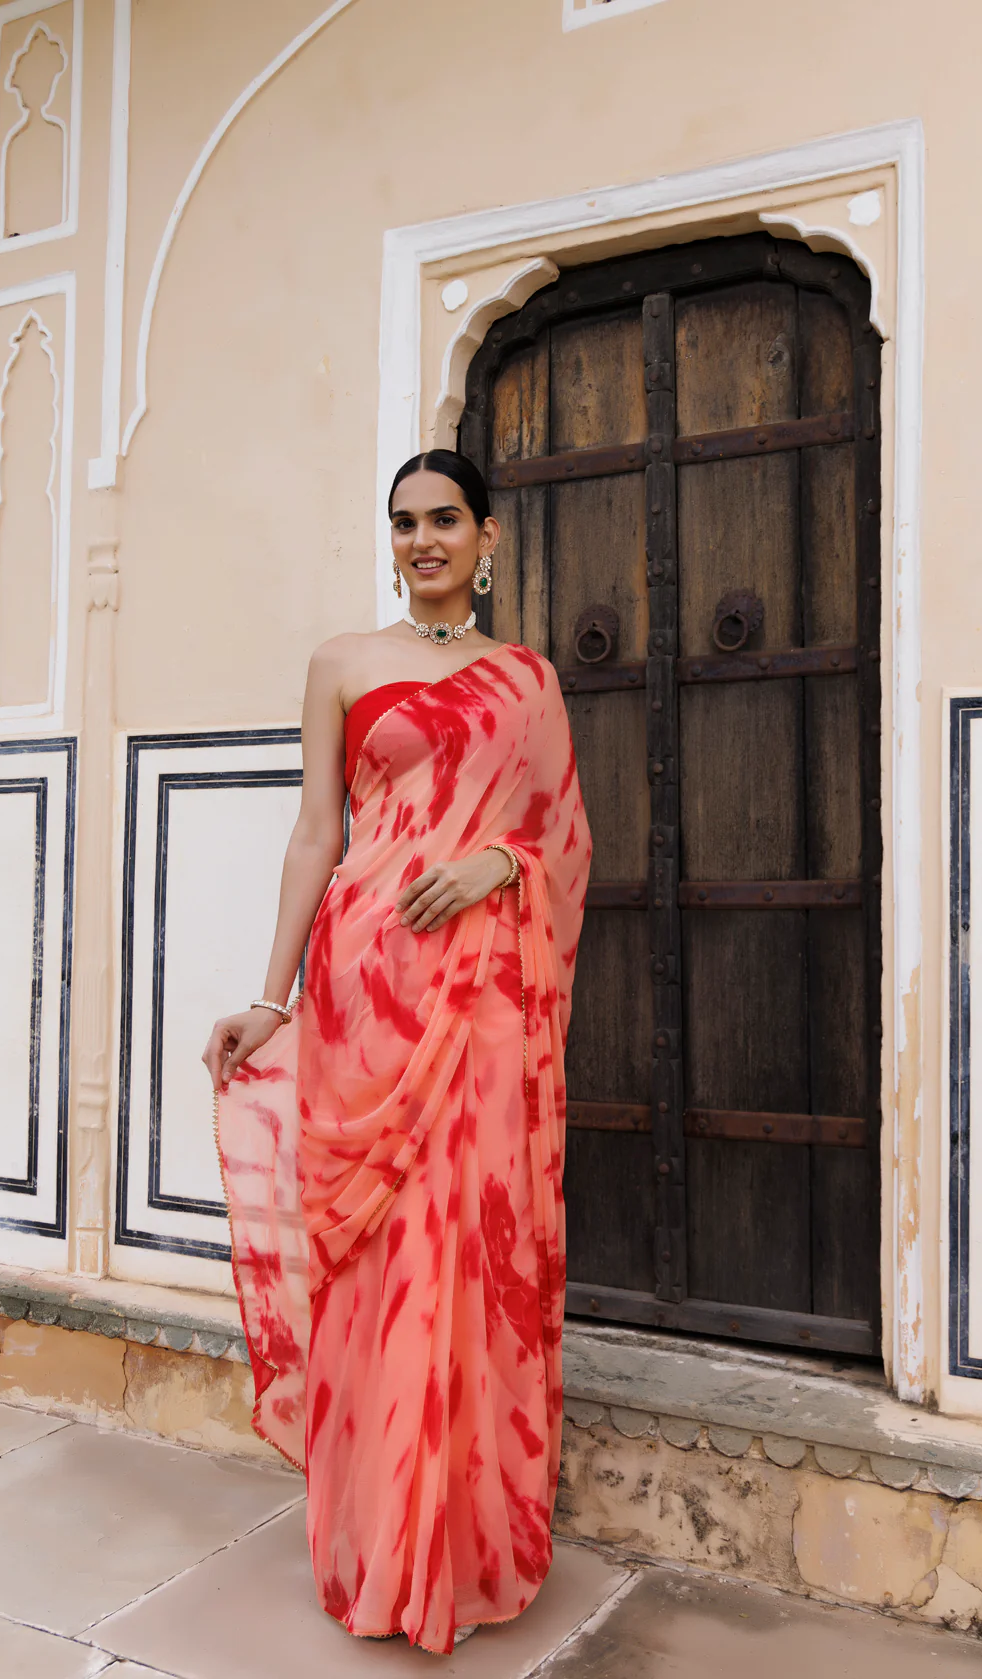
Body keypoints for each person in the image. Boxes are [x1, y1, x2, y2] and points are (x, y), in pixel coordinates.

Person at [204, 450, 591, 1655]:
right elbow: (315, 829)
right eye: (405, 522)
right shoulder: (342, 661)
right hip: (365, 993)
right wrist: (270, 997)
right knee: (377, 1263)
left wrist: (499, 865)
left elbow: (565, 841)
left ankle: (461, 1547)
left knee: (470, 1250)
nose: (423, 540)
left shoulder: (527, 680)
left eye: (445, 520)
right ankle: (378, 1541)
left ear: (487, 537)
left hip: (484, 1001)